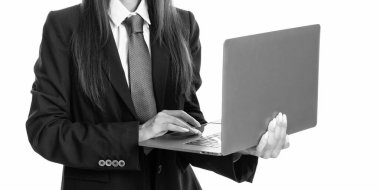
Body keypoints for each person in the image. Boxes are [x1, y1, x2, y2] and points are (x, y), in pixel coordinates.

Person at [26, 0, 290, 189]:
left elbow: (187, 127)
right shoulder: (64, 27)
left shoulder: (183, 24)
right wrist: (138, 134)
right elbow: (45, 131)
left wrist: (238, 147)